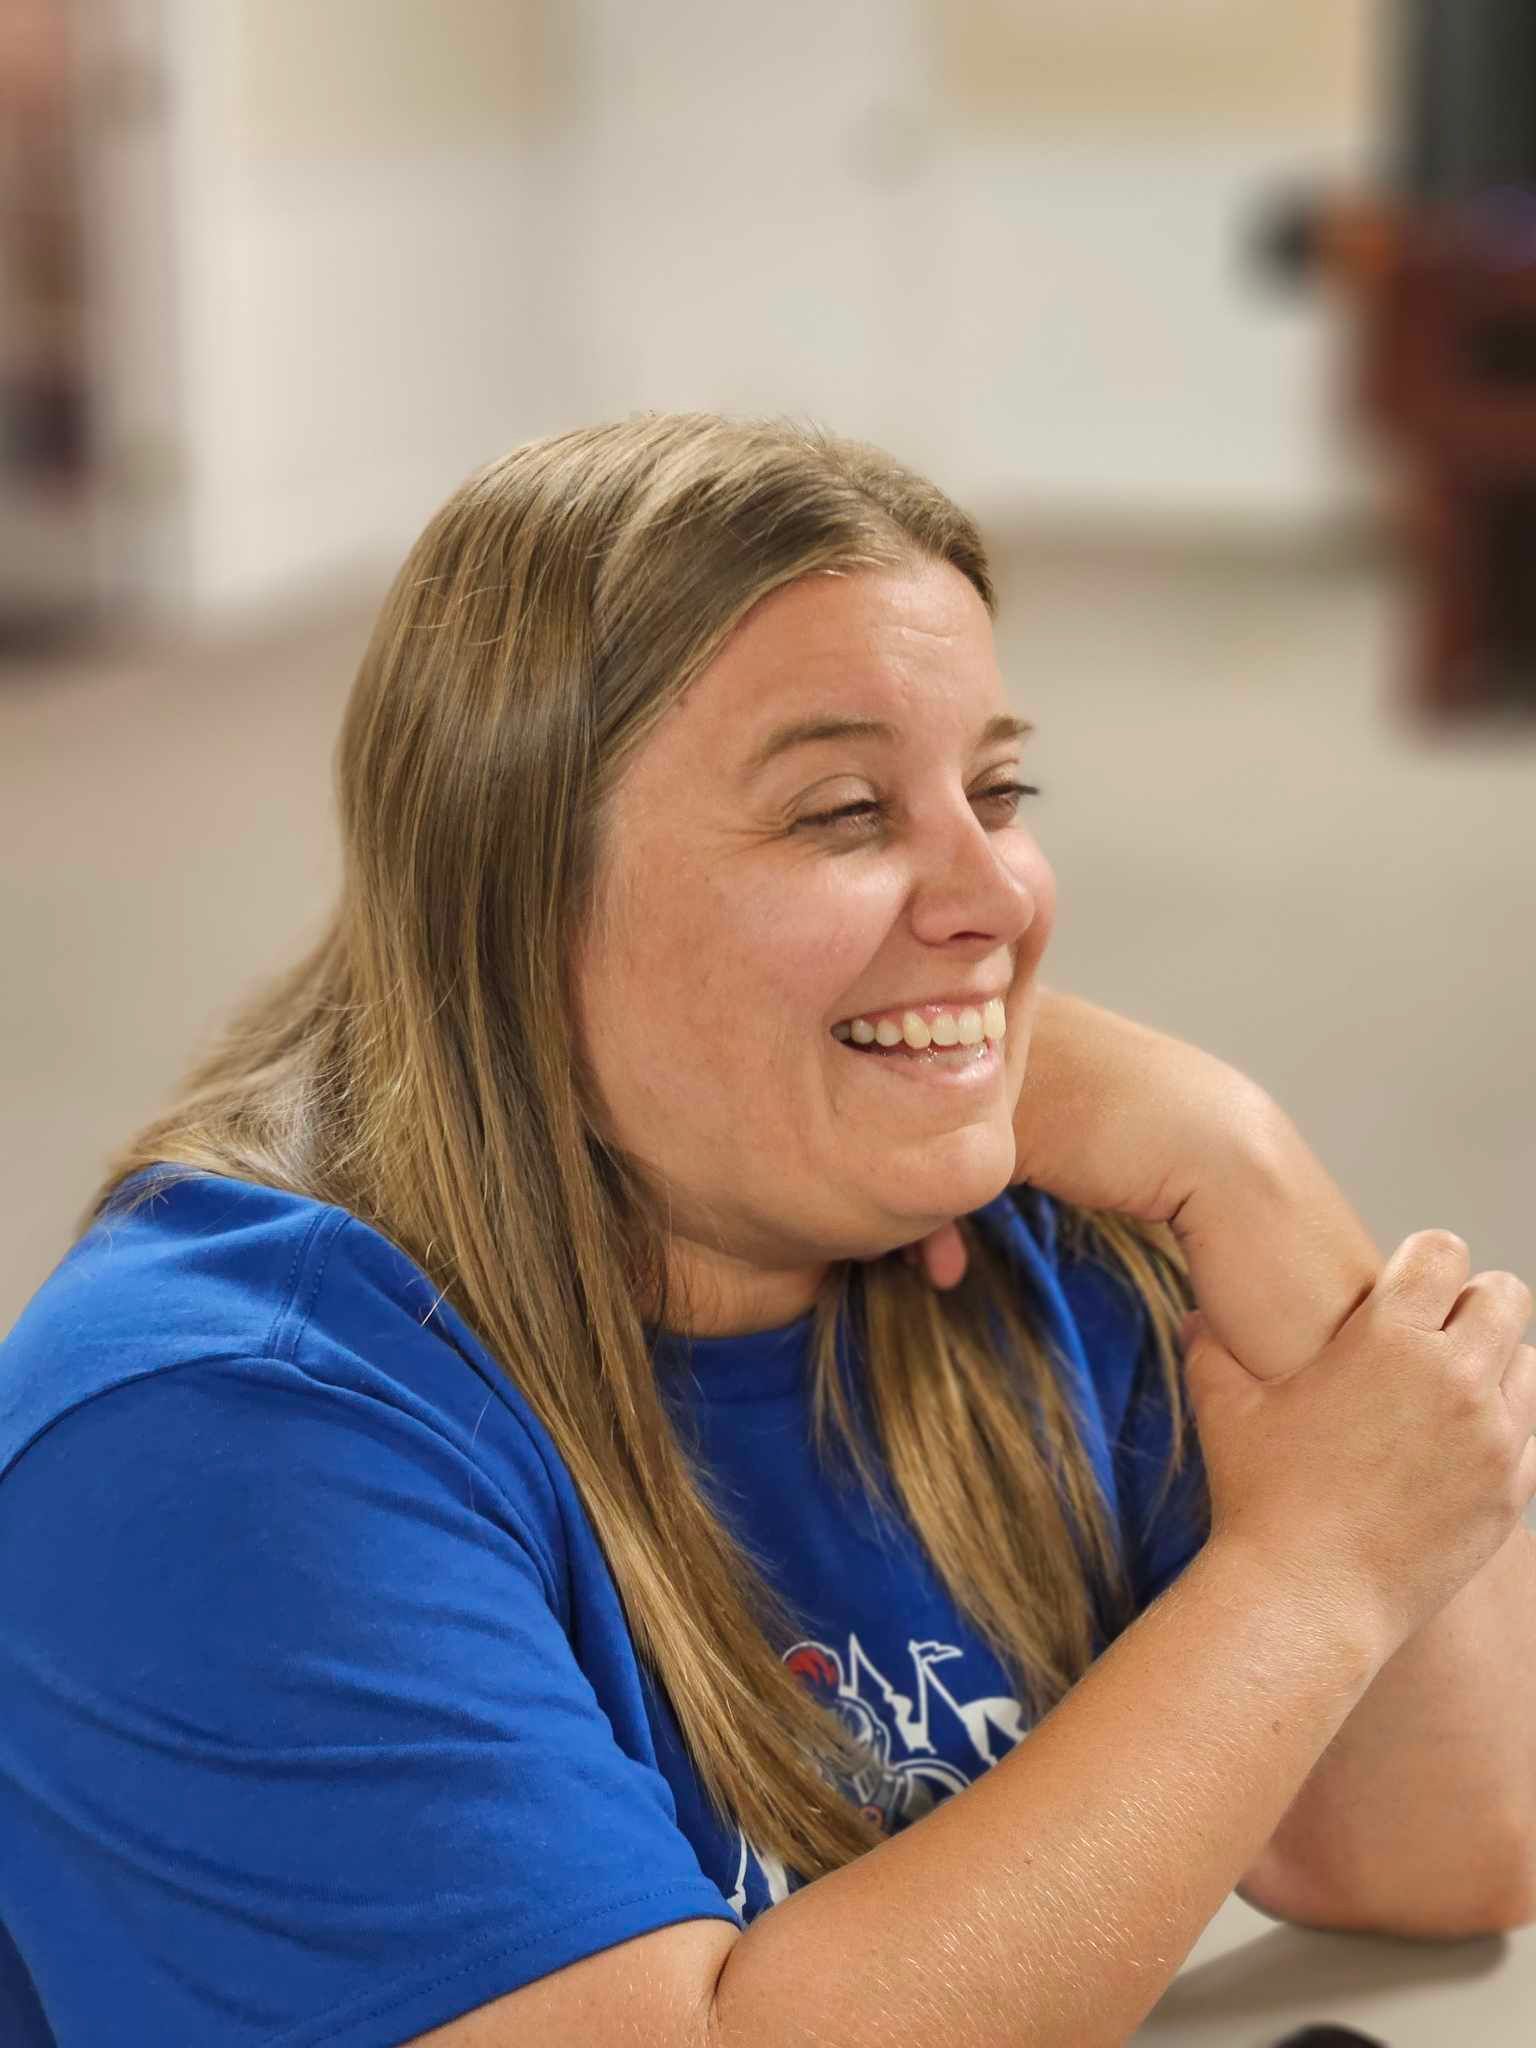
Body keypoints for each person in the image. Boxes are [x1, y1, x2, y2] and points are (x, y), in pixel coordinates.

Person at [1, 412, 1532, 2048]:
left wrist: (1249, 1160)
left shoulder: (1025, 1240)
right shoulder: (216, 1430)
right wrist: (1312, 1571)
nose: (998, 896)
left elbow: (1445, 1846)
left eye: (997, 789)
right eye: (844, 815)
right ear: (518, 891)